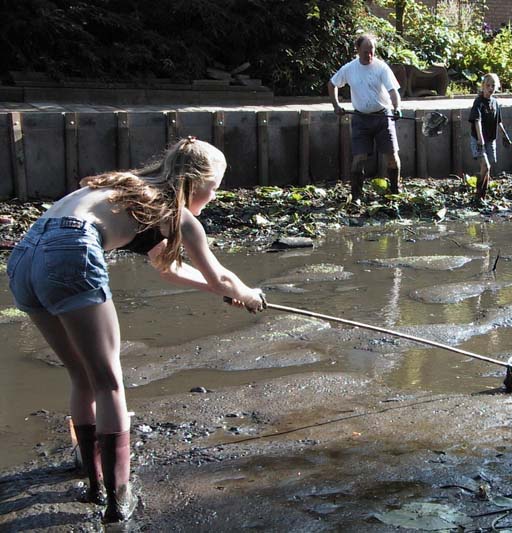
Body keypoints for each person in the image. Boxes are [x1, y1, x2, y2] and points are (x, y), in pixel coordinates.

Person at [5, 137, 265, 523]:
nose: (211, 199)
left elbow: (170, 267)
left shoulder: (126, 189)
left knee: (82, 373)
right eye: (213, 191)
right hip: (70, 250)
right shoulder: (179, 214)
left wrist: (221, 290)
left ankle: (93, 482)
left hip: (24, 257)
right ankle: (118, 499)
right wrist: (248, 295)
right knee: (109, 381)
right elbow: (223, 276)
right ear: (196, 183)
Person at [328, 33, 403, 199]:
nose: (369, 55)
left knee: (391, 155)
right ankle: (356, 195)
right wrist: (336, 105)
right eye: (365, 51)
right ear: (357, 50)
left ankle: (395, 190)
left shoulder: (381, 67)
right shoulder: (349, 69)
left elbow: (393, 91)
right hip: (361, 119)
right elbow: (332, 84)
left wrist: (396, 107)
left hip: (383, 117)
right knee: (359, 158)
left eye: (372, 51)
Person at [469, 73, 512, 202]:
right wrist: (480, 139)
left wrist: (505, 135)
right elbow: (477, 121)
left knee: (489, 166)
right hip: (479, 139)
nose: (490, 88)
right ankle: (479, 195)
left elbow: (498, 121)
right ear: (483, 86)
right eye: (488, 85)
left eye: (493, 86)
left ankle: (483, 194)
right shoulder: (479, 102)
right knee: (485, 165)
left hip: (491, 139)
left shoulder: (495, 103)